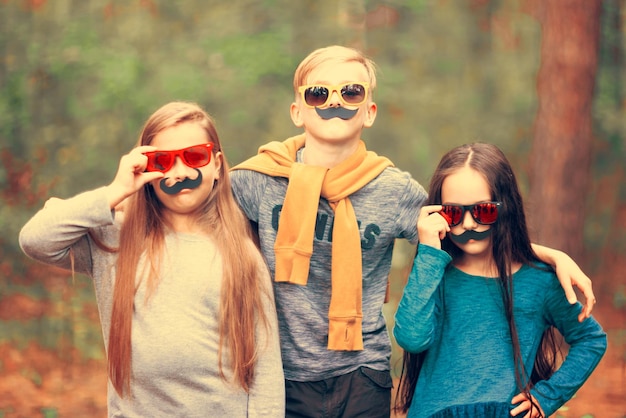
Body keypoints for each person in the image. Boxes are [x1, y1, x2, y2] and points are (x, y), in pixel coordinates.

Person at [229, 45, 598, 417]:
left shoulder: (395, 190)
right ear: (297, 111)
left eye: (351, 92)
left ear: (369, 111)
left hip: (362, 373)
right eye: (318, 93)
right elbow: (197, 219)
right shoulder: (258, 181)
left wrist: (548, 254)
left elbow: (461, 231)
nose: (334, 102)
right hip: (281, 371)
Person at [19, 101, 285, 417]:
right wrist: (114, 192)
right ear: (144, 169)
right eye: (163, 162)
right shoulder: (116, 240)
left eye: (195, 156)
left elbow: (266, 371)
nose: (180, 172)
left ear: (216, 166)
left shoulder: (242, 255)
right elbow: (35, 240)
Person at [393, 142, 607, 418]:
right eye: (453, 213)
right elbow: (411, 338)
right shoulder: (434, 272)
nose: (468, 224)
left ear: (505, 208)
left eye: (483, 211)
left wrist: (546, 398)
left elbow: (591, 339)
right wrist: (429, 252)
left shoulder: (538, 281)